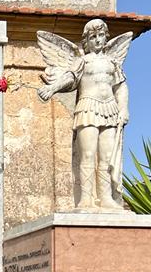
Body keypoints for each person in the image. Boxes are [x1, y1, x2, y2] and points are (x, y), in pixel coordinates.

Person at [37, 18, 132, 210]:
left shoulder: (112, 63)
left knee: (106, 156)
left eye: (101, 36)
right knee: (88, 154)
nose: (97, 40)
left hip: (110, 110)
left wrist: (124, 108)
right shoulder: (82, 61)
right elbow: (70, 78)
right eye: (93, 37)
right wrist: (52, 88)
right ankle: (86, 199)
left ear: (106, 38)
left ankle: (105, 198)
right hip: (87, 108)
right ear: (86, 41)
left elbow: (120, 87)